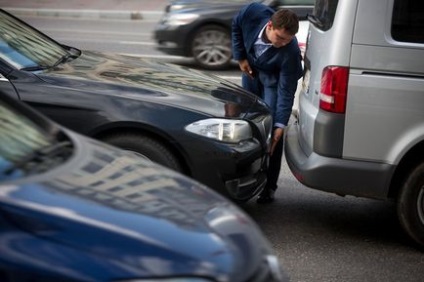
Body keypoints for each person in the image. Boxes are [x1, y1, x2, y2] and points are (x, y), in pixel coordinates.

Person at [232, 3, 303, 204]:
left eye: (287, 40)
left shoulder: (289, 51)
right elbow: (236, 25)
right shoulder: (252, 12)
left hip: (273, 82)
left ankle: (269, 186)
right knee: (245, 124)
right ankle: (242, 176)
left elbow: (286, 90)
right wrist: (240, 57)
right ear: (270, 26)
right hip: (251, 74)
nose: (281, 44)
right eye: (280, 38)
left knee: (272, 131)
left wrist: (281, 123)